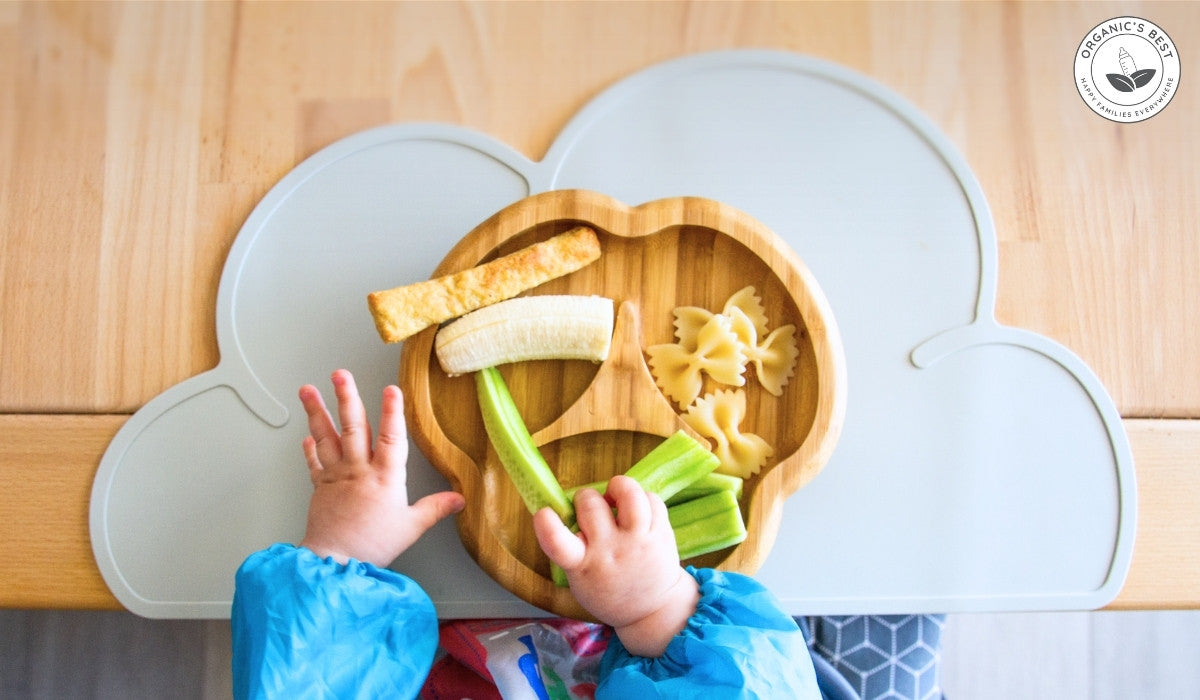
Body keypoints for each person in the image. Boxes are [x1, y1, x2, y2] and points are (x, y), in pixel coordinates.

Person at [232, 370, 936, 699]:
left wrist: (341, 554)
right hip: (664, 646)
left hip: (399, 647)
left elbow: (303, 683)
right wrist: (658, 606)